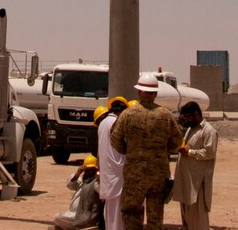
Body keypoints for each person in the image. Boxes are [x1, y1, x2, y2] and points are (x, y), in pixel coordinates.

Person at [110, 72, 183, 230]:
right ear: (155, 93)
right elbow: (177, 142)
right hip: (158, 174)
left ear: (139, 92)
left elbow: (115, 139)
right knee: (155, 215)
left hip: (134, 173)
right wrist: (163, 152)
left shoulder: (127, 114)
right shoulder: (166, 115)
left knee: (131, 212)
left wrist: (128, 151)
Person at [172, 101, 218, 229]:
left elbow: (210, 153)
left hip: (198, 185)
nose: (186, 120)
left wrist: (190, 152)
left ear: (196, 114)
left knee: (198, 222)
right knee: (187, 222)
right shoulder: (191, 130)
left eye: (187, 117)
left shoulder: (208, 131)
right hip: (187, 183)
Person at [97, 97, 128, 230]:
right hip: (118, 175)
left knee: (110, 216)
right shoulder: (117, 123)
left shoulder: (103, 123)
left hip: (108, 176)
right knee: (118, 218)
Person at [53, 154, 101, 229]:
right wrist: (78, 173)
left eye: (92, 170)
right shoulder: (83, 181)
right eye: (87, 170)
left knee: (57, 218)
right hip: (74, 213)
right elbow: (70, 184)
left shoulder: (96, 183)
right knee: (57, 219)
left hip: (85, 216)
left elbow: (102, 191)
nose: (90, 172)